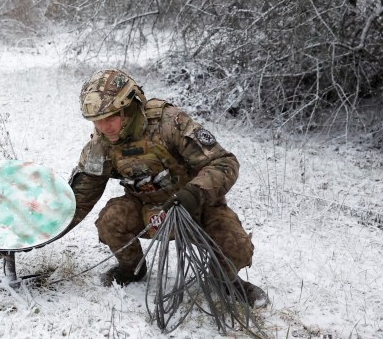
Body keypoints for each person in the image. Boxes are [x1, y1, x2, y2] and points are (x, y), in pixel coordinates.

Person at [65, 68, 269, 307]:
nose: (103, 127)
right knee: (111, 220)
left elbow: (224, 162)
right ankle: (132, 269)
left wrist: (193, 194)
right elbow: (81, 196)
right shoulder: (101, 144)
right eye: (97, 121)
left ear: (129, 108)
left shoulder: (169, 123)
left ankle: (225, 281)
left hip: (195, 206)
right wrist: (39, 234)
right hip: (147, 210)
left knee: (236, 246)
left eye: (110, 118)